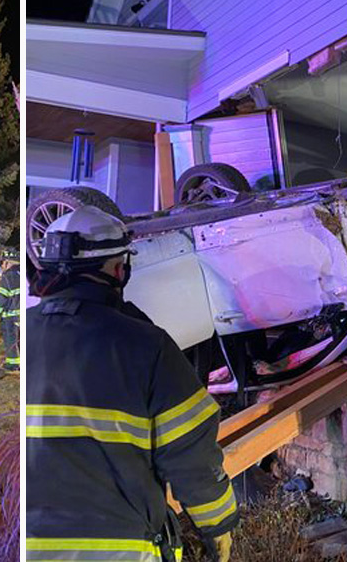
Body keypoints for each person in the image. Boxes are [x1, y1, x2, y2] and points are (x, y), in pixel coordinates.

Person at [27, 206, 237, 562]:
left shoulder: (22, 335)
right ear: (118, 268)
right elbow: (191, 456)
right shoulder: (145, 345)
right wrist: (218, 525)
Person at [0, 248, 21, 372]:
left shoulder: (7, 276)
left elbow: (1, 298)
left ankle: (13, 364)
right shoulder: (24, 272)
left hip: (11, 315)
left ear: (7, 262)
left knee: (11, 339)